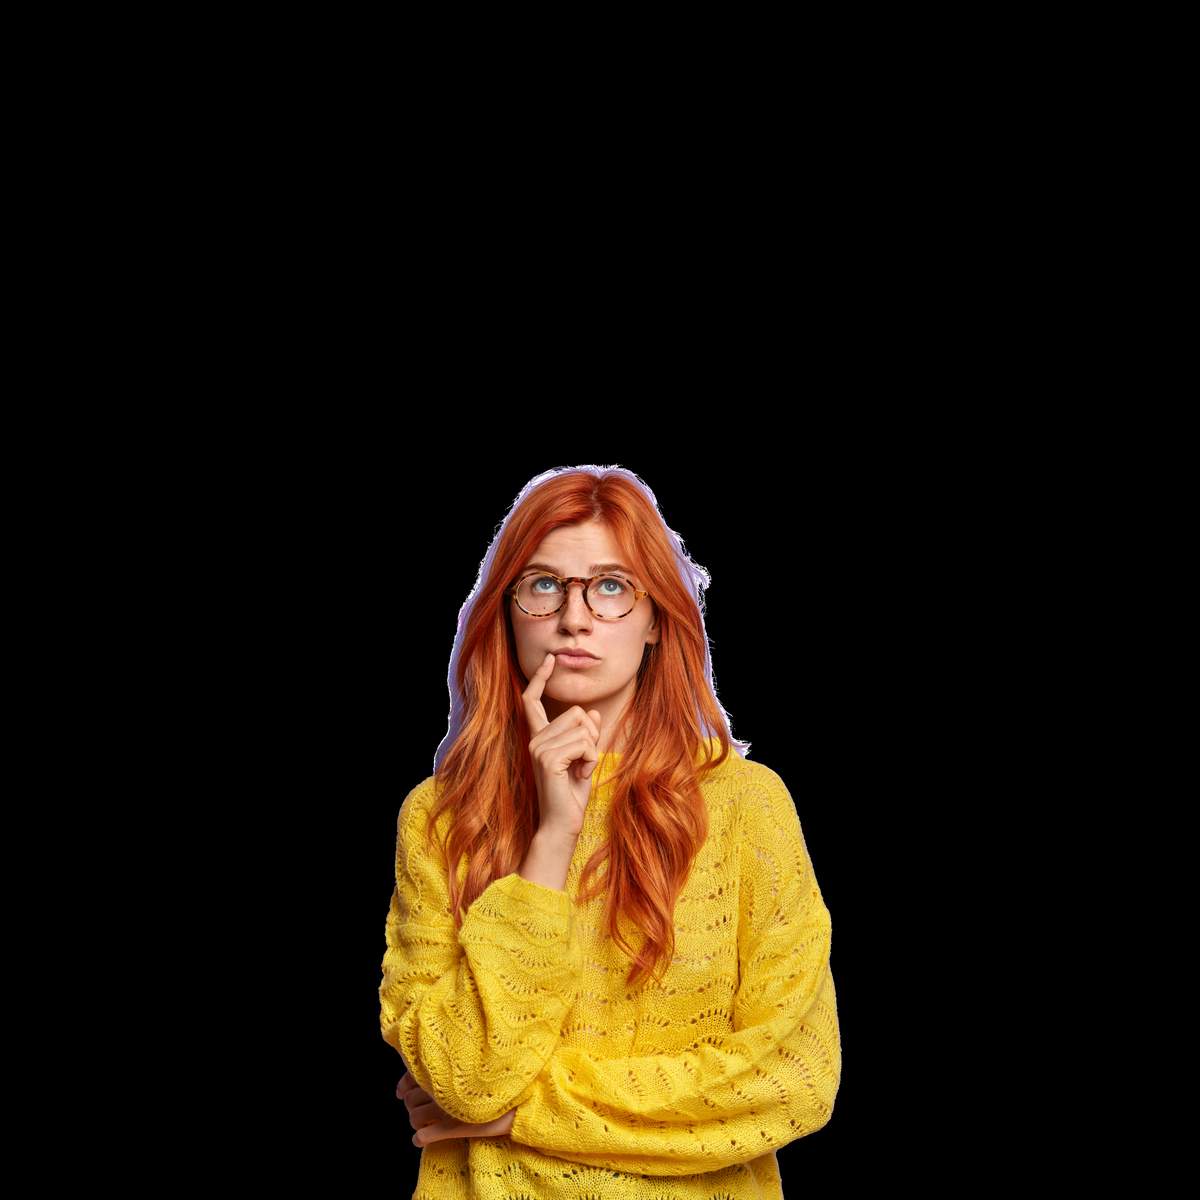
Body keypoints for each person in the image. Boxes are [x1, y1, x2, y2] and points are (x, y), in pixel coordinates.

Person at [380, 465, 840, 1200]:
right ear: (506, 613)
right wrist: (552, 837)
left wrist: (522, 1115)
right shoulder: (439, 817)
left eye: (611, 586)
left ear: (656, 618)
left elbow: (796, 1078)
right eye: (543, 585)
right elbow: (468, 1079)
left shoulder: (748, 807)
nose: (575, 618)